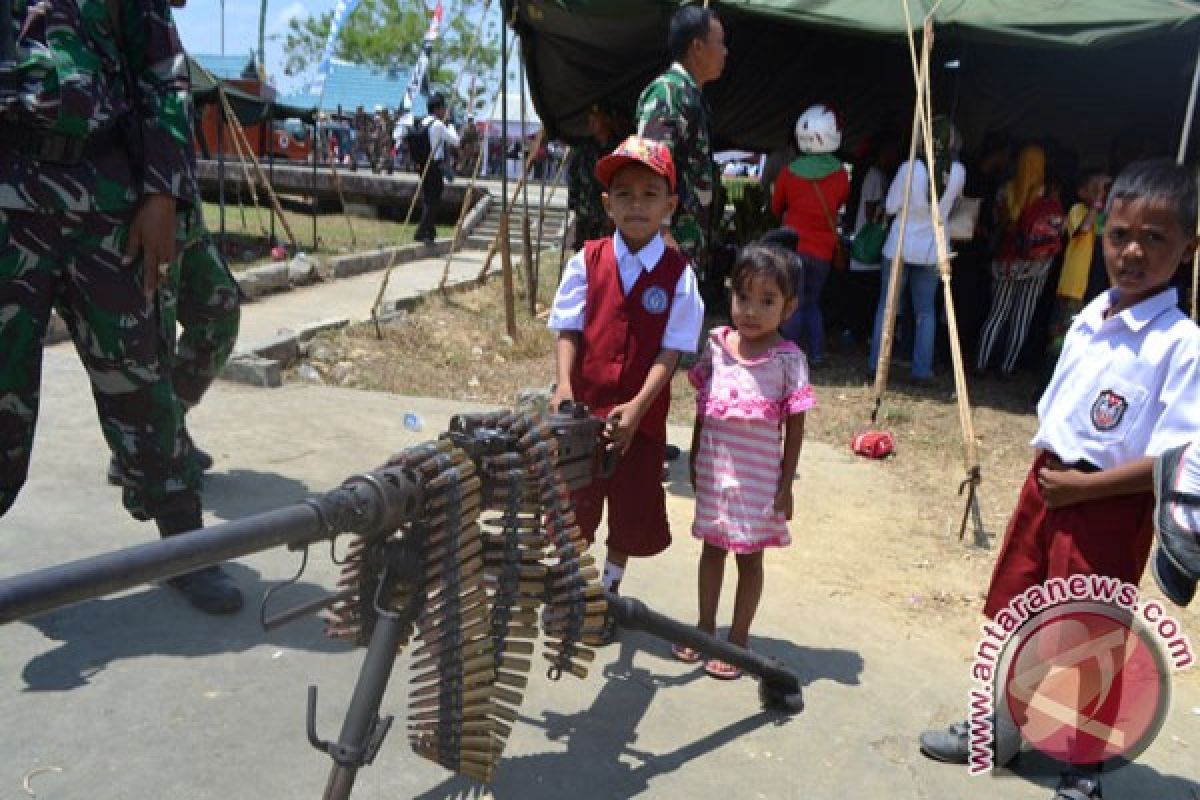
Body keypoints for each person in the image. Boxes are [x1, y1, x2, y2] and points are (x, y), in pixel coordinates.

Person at [919, 159, 1200, 799]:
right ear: (1101, 233)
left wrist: (1084, 490)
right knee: (1017, 616)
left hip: (1108, 507)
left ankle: (1083, 765)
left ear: (1188, 249)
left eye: (1155, 239)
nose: (1132, 251)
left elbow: (1174, 458)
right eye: (1120, 234)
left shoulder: (1181, 346)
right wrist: (1050, 473)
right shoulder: (1090, 316)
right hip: (1046, 488)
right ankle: (1003, 728)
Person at [0, 0, 241, 613]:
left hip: (105, 199)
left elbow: (163, 72)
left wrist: (162, 192)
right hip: (8, 197)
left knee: (140, 377)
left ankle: (183, 548)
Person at [547, 136, 705, 645]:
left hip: (642, 422)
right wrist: (565, 387)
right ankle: (571, 593)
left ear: (670, 205)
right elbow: (568, 329)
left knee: (630, 511)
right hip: (581, 415)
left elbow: (673, 351)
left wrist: (638, 407)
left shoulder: (680, 277)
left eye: (649, 193)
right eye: (624, 193)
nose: (636, 204)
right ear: (606, 203)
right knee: (574, 505)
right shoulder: (585, 262)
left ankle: (607, 597)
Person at [672, 244, 813, 679]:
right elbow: (703, 406)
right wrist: (695, 457)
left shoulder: (788, 360)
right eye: (743, 297)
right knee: (711, 549)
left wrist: (786, 485)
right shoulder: (715, 346)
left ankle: (737, 641)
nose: (751, 311)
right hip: (716, 472)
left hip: (759, 480)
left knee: (750, 558)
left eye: (766, 301)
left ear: (788, 307)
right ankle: (703, 629)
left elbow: (795, 429)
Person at [868, 116, 966, 384]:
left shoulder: (910, 168)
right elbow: (954, 207)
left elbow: (890, 206)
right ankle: (921, 370)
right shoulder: (958, 172)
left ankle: (877, 364)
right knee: (926, 311)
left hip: (900, 244)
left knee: (886, 308)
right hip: (933, 248)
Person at [635, 4, 727, 291]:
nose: (725, 52)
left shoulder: (691, 97)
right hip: (665, 246)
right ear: (697, 47)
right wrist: (660, 230)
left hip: (685, 242)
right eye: (720, 43)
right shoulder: (668, 93)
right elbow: (648, 163)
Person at [976, 145, 1066, 377]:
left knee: (997, 313)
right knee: (1022, 317)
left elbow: (997, 221)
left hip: (1006, 260)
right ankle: (1007, 368)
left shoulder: (1006, 190)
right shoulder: (1048, 193)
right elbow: (1059, 226)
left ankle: (981, 362)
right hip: (1038, 263)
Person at [771, 105, 851, 365]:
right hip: (823, 249)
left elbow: (775, 207)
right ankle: (816, 353)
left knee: (793, 300)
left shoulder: (788, 172)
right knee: (813, 302)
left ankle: (791, 354)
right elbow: (839, 204)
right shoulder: (841, 174)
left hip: (793, 246)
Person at [1043, 169, 1110, 380]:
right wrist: (1096, 204)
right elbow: (1083, 229)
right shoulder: (1078, 210)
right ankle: (1046, 386)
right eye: (1095, 188)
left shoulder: (1111, 218)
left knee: (1087, 342)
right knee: (1059, 339)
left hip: (1098, 287)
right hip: (1074, 287)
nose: (1102, 193)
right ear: (1082, 192)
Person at [566, 102, 626, 250]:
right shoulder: (583, 149)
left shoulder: (620, 148)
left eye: (595, 118)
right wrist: (574, 204)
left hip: (610, 220)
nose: (591, 123)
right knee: (584, 260)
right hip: (586, 217)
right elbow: (573, 177)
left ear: (606, 119)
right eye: (590, 119)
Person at [414, 93, 460, 246]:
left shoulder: (422, 122)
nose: (445, 111)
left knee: (429, 197)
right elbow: (456, 141)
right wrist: (451, 125)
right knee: (433, 199)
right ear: (438, 109)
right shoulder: (438, 125)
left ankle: (429, 230)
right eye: (443, 108)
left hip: (422, 164)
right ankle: (423, 231)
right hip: (434, 164)